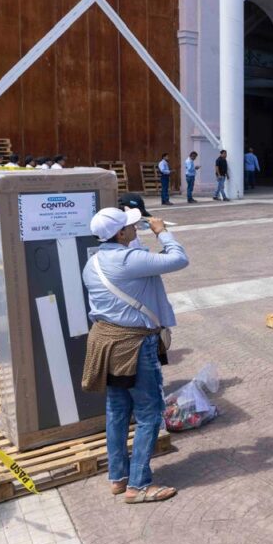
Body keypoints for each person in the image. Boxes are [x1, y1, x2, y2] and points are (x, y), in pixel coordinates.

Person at [81, 206, 188, 504]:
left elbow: (134, 263)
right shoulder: (129, 259)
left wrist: (139, 233)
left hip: (106, 342)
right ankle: (138, 486)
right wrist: (161, 231)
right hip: (135, 345)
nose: (135, 229)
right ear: (121, 233)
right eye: (131, 226)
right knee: (149, 414)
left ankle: (118, 477)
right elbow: (179, 258)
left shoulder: (93, 263)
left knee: (117, 410)